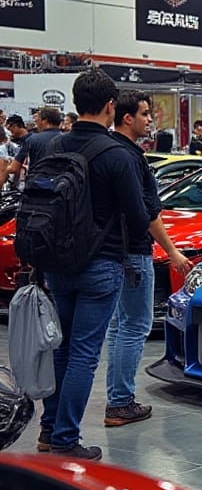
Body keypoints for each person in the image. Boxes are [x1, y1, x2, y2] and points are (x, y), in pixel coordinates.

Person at [34, 70, 151, 460]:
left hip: (56, 263)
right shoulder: (116, 154)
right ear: (110, 106)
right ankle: (66, 441)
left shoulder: (52, 146)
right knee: (84, 353)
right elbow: (139, 218)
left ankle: (49, 432)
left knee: (61, 350)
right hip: (101, 264)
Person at [105, 90, 192, 427]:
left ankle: (117, 398)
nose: (149, 120)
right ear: (127, 118)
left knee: (119, 328)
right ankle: (120, 402)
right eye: (144, 114)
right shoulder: (131, 158)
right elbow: (147, 212)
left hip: (112, 252)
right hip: (133, 253)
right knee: (135, 327)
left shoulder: (110, 152)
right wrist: (171, 251)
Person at [7, 106, 63, 185]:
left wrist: (3, 168)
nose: (36, 125)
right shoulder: (67, 140)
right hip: (61, 188)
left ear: (44, 120)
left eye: (37, 121)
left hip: (36, 188)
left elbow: (14, 168)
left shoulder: (32, 140)